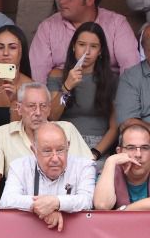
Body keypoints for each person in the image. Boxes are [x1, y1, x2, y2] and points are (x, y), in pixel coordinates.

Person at [0, 81, 92, 208]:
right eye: (31, 106)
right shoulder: (2, 134)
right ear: (19, 108)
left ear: (50, 108)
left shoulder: (67, 130)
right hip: (21, 212)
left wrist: (55, 205)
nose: (38, 112)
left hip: (66, 211)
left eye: (43, 106)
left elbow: (86, 170)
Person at [29, 0, 139, 84]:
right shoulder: (47, 27)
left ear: (90, 0)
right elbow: (38, 78)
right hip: (62, 96)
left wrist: (122, 101)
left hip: (107, 96)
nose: (61, 1)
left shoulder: (117, 24)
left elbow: (130, 71)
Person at [0, 121, 95, 229]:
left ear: (68, 146)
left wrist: (56, 203)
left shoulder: (84, 166)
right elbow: (6, 200)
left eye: (60, 150)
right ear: (34, 150)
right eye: (47, 151)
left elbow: (87, 201)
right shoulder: (19, 166)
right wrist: (43, 207)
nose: (55, 158)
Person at [45, 20, 118, 156]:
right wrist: (67, 87)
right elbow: (52, 116)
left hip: (98, 148)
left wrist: (95, 153)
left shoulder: (111, 80)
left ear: (100, 51)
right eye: (82, 44)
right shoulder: (57, 76)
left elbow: (114, 128)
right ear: (73, 47)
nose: (87, 51)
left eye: (94, 46)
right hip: (64, 145)